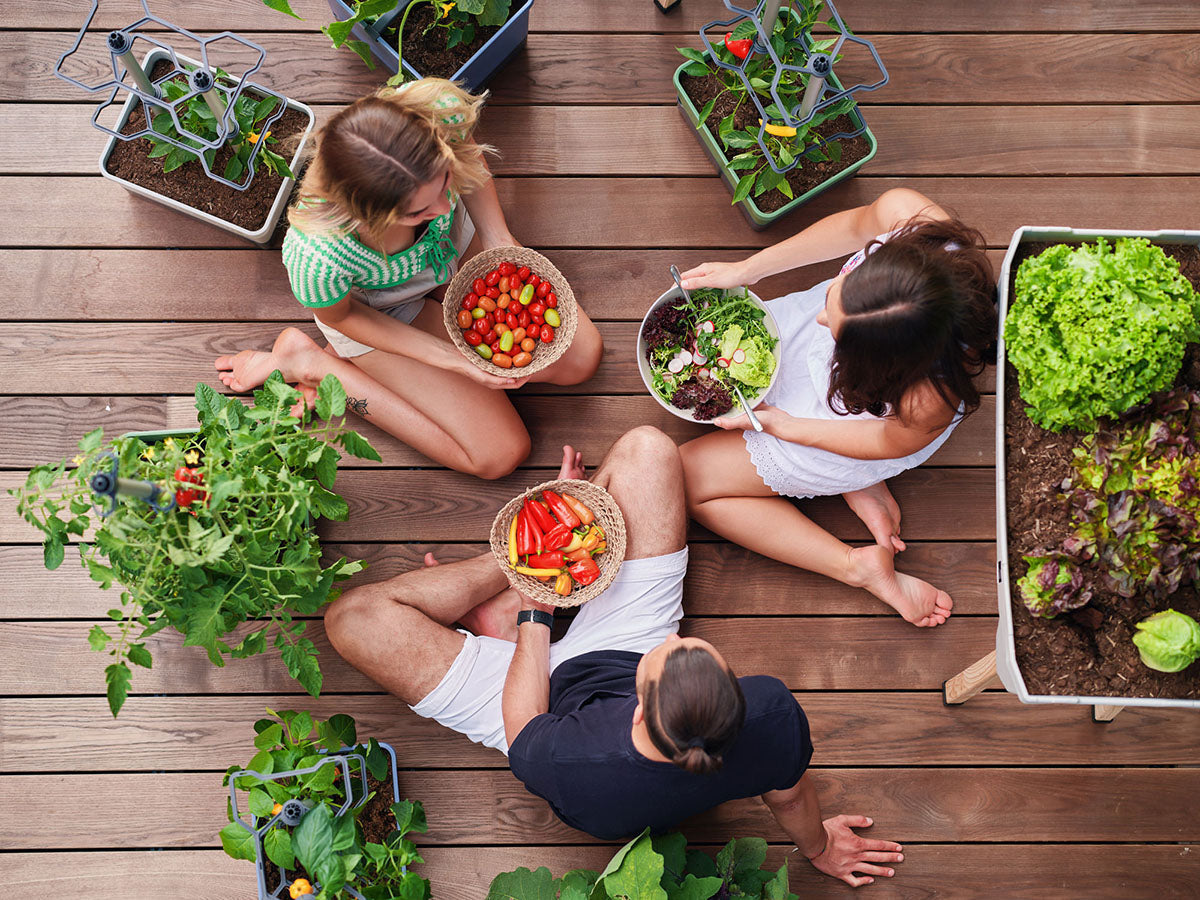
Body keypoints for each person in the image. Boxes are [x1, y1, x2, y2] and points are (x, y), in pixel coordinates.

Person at [324, 427, 904, 888]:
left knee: (352, 621)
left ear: (635, 711)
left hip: (527, 702)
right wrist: (820, 849)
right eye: (691, 650)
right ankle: (543, 559)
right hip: (622, 641)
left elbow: (523, 720)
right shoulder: (770, 714)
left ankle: (516, 573)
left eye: (670, 656)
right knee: (648, 450)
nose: (675, 643)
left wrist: (535, 608)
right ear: (735, 696)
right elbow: (793, 797)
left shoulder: (577, 766)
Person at [213, 79, 603, 479]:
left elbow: (469, 160)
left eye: (445, 179)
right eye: (418, 211)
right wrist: (452, 360)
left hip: (451, 246)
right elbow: (341, 317)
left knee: (581, 360)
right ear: (367, 215)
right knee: (500, 454)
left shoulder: (435, 109)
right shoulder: (317, 256)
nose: (444, 205)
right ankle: (312, 364)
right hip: (381, 309)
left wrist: (497, 239)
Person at [676, 188, 997, 628]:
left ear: (884, 366)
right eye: (837, 292)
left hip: (855, 427)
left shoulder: (927, 401)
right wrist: (747, 270)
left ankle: (856, 566)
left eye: (839, 333)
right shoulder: (910, 218)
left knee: (689, 480)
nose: (823, 321)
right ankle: (857, 482)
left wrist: (787, 427)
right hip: (858, 383)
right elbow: (851, 227)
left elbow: (886, 439)